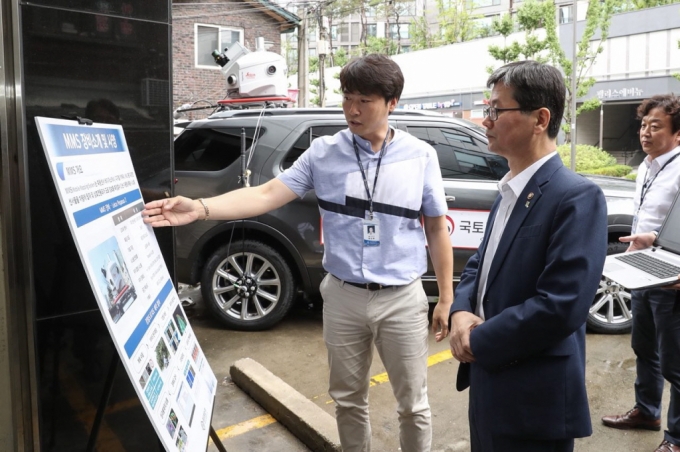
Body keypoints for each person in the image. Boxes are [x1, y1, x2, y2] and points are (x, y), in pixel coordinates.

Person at [142, 54, 454, 452]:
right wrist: (201, 209)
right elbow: (265, 194)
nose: (352, 110)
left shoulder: (420, 156)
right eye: (347, 98)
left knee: (413, 405)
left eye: (365, 101)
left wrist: (445, 297)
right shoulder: (324, 152)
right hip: (342, 295)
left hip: (402, 297)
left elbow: (435, 228)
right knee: (347, 398)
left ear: (392, 103)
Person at [448, 60, 608, 452]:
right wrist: (460, 311)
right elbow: (479, 265)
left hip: (534, 400)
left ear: (540, 119)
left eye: (495, 110)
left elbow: (561, 305)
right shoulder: (509, 190)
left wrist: (477, 338)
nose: (485, 121)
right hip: (490, 382)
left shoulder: (575, 196)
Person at [601, 94, 680, 452]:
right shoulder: (647, 166)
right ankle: (647, 412)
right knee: (644, 347)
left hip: (672, 278)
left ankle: (676, 438)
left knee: (675, 362)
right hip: (645, 269)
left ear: (677, 133)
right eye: (644, 125)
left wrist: (657, 241)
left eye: (656, 126)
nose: (645, 132)